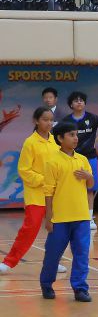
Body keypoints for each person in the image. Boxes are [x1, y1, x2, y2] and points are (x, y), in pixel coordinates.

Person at [0, 107, 66, 275]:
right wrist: (44, 180)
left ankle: (53, 262)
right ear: (36, 121)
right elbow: (24, 170)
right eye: (45, 119)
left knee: (57, 231)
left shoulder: (55, 141)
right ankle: (8, 262)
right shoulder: (30, 142)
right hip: (36, 195)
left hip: (55, 196)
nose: (49, 123)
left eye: (51, 120)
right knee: (30, 229)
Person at [39, 120, 94, 302]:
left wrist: (89, 176)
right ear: (60, 138)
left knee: (81, 255)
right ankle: (46, 284)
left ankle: (80, 288)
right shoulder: (52, 162)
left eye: (76, 135)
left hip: (81, 217)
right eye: (71, 135)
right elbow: (48, 192)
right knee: (53, 255)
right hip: (60, 218)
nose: (75, 138)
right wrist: (48, 218)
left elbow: (90, 185)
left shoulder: (82, 160)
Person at [64, 91, 98, 230]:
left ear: (84, 103)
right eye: (76, 100)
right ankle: (72, 216)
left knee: (90, 188)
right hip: (72, 158)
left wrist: (96, 140)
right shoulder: (66, 121)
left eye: (81, 100)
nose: (79, 102)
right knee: (71, 187)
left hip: (90, 157)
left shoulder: (92, 118)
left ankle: (89, 218)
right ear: (71, 105)